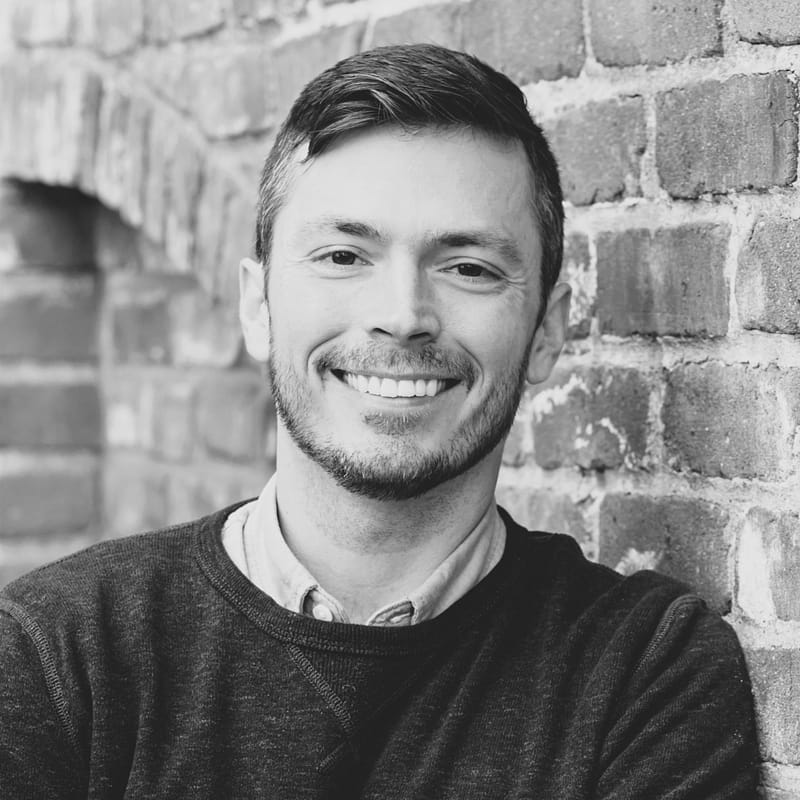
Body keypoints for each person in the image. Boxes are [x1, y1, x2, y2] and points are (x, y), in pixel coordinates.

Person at [0, 44, 757, 798]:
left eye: (469, 269)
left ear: (547, 335)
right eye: (342, 256)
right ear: (257, 305)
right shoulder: (57, 656)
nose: (403, 317)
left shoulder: (644, 673)